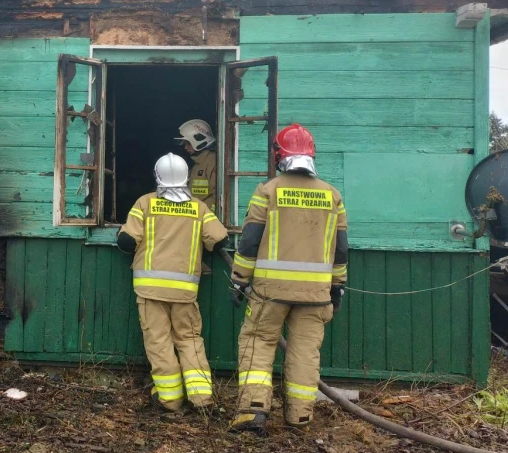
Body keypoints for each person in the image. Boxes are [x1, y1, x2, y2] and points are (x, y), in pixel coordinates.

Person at [228, 124, 348, 435]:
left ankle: (252, 413)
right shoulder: (333, 196)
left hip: (270, 292)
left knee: (257, 342)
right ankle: (299, 418)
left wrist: (239, 279)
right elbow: (341, 250)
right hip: (316, 294)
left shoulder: (267, 191)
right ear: (312, 155)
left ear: (280, 155)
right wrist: (337, 287)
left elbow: (250, 242)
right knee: (304, 352)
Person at [118, 154, 228, 414]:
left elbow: (126, 243)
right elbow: (220, 239)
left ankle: (170, 400)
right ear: (187, 177)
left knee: (159, 343)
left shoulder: (145, 203)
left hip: (149, 290)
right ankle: (202, 399)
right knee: (190, 341)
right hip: (185, 292)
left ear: (156, 176)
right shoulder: (199, 208)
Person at [176, 119, 217, 214]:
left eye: (188, 143)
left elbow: (218, 197)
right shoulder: (197, 163)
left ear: (198, 139)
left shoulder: (212, 162)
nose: (185, 147)